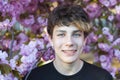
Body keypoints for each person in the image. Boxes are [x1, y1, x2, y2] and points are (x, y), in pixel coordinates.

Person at [23, 4, 113, 80]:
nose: (69, 42)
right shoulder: (34, 77)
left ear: (84, 39)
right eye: (61, 34)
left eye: (76, 34)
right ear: (51, 39)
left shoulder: (102, 77)